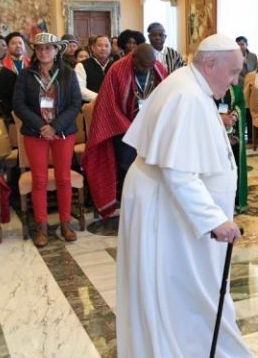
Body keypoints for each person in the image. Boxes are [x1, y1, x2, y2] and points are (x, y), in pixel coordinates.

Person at [116, 34, 258, 358]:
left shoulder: (193, 86)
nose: (235, 82)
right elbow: (178, 172)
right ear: (210, 64)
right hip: (167, 210)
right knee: (187, 293)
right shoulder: (187, 96)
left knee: (190, 291)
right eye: (233, 73)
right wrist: (214, 221)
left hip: (173, 208)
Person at [13, 33, 82, 247]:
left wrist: (55, 126)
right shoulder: (25, 75)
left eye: (48, 48)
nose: (43, 52)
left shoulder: (68, 73)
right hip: (36, 132)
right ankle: (41, 226)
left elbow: (75, 103)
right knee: (39, 180)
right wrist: (42, 126)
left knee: (63, 178)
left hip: (63, 131)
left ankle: (65, 223)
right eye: (39, 48)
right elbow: (18, 105)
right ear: (35, 51)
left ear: (56, 50)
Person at [82, 44, 167, 219]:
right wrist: (132, 130)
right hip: (123, 128)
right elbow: (109, 105)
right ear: (133, 57)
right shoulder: (117, 69)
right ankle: (128, 202)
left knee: (153, 165)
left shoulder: (157, 68)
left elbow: (167, 96)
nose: (146, 69)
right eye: (142, 66)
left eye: (149, 66)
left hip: (151, 129)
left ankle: (150, 202)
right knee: (128, 166)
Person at [216, 81, 247, 213]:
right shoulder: (208, 84)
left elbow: (240, 103)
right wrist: (219, 117)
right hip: (213, 130)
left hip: (232, 130)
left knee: (232, 166)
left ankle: (233, 201)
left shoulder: (234, 88)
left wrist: (234, 115)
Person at [75, 35, 114, 102]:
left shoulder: (115, 66)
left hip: (113, 105)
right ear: (93, 48)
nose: (103, 48)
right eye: (100, 45)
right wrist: (102, 99)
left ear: (110, 48)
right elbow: (80, 89)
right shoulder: (81, 65)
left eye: (106, 46)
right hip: (90, 105)